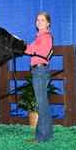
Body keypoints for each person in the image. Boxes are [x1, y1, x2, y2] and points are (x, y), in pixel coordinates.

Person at [24, 12, 53, 143]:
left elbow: (29, 50)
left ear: (48, 23)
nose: (39, 22)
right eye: (37, 20)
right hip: (40, 71)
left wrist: (17, 42)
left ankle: (41, 137)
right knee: (43, 104)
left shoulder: (45, 37)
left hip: (40, 71)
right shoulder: (42, 37)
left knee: (41, 105)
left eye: (42, 20)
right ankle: (47, 134)